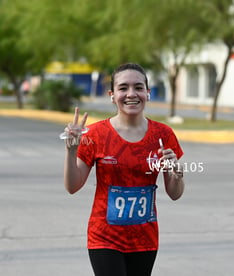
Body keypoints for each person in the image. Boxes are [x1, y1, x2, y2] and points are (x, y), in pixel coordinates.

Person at [62, 63, 185, 276]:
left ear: (147, 92)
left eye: (138, 87)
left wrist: (176, 175)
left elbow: (175, 194)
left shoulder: (163, 135)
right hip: (104, 237)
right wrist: (71, 152)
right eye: (123, 88)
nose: (131, 94)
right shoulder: (95, 134)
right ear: (112, 95)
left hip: (144, 238)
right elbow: (72, 186)